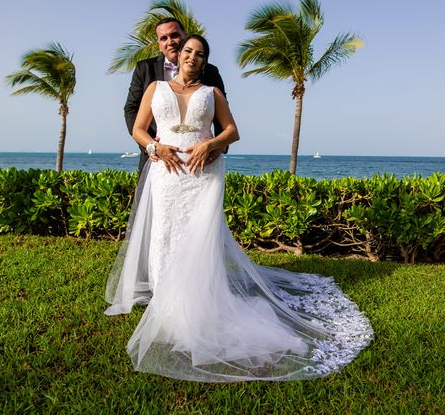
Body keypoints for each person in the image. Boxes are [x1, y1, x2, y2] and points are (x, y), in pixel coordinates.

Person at [105, 35, 373, 382]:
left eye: (199, 54)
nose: (192, 57)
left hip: (205, 174)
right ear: (179, 54)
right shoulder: (155, 87)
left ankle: (199, 304)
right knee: (164, 235)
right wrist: (156, 148)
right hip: (167, 173)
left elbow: (232, 131)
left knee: (198, 237)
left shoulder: (211, 93)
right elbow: (139, 130)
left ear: (204, 62)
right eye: (188, 51)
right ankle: (166, 306)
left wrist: (212, 143)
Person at [123, 17, 226, 172]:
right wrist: (151, 146)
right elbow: (131, 109)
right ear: (159, 45)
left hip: (202, 160)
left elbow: (222, 113)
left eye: (174, 35)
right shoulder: (145, 69)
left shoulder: (210, 71)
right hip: (157, 158)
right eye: (163, 38)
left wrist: (218, 146)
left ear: (184, 37)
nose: (170, 41)